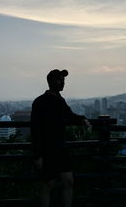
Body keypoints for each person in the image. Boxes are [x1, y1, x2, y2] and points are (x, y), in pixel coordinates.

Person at [30, 69, 90, 207]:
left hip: (60, 148)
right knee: (47, 185)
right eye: (59, 80)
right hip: (46, 150)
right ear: (51, 82)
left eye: (63, 80)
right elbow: (35, 129)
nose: (63, 83)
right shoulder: (39, 102)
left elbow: (69, 115)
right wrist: (37, 155)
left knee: (68, 181)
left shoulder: (60, 100)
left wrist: (82, 119)